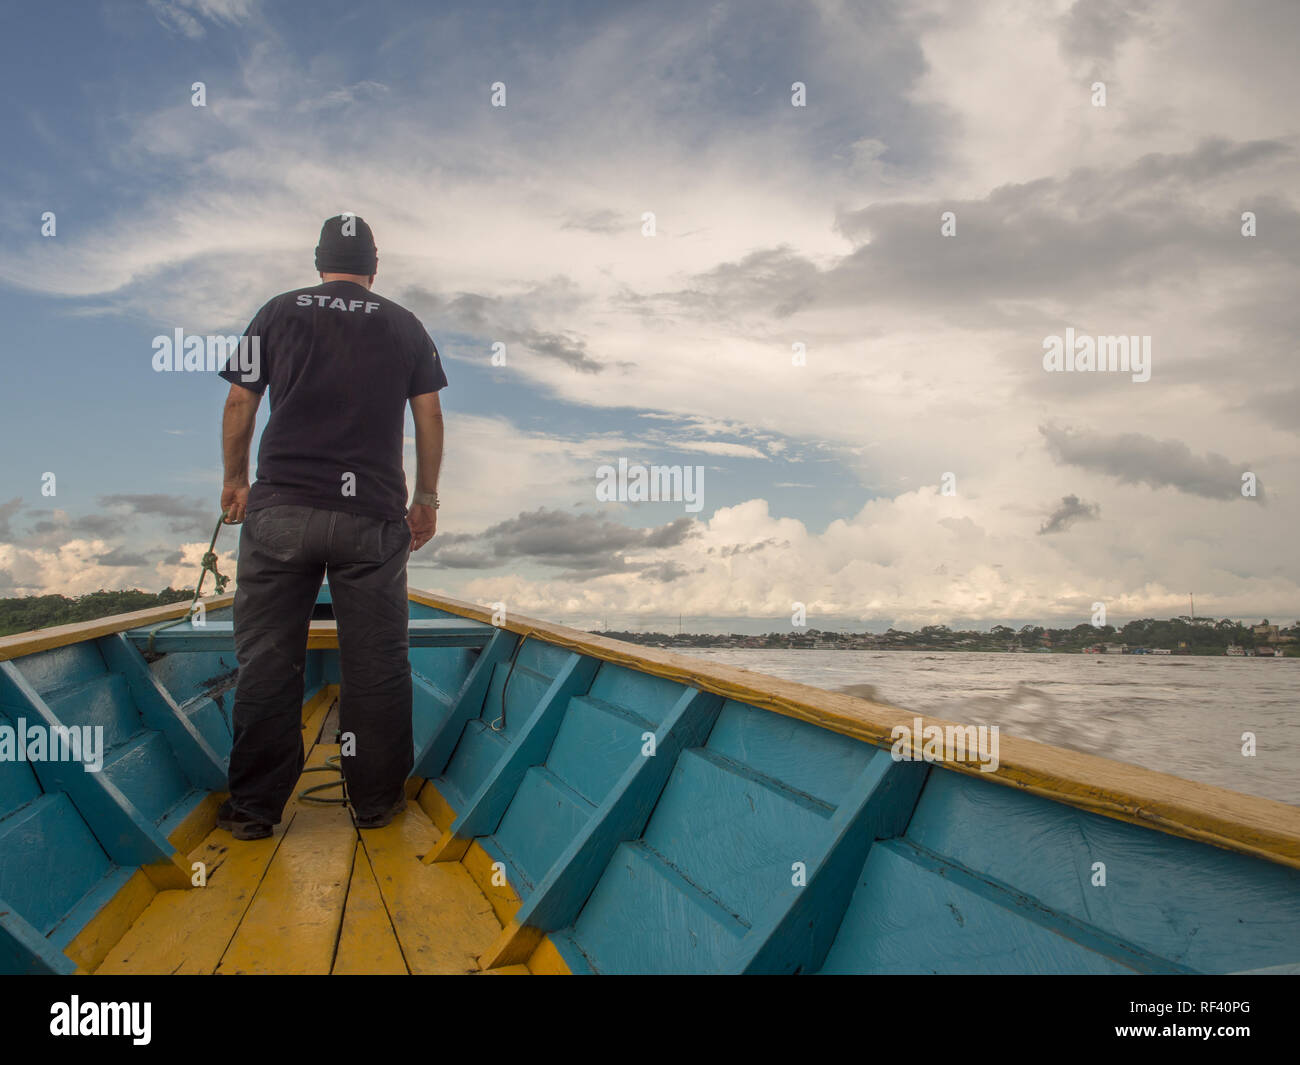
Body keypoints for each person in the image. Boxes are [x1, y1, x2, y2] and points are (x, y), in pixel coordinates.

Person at [214, 214, 446, 839]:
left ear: (319, 261)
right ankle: (375, 806)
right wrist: (425, 496)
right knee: (376, 665)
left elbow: (241, 400)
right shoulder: (404, 323)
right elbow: (428, 415)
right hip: (370, 517)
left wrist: (235, 481)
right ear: (375, 266)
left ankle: (254, 810)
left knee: (267, 661)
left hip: (281, 512)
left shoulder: (277, 311)